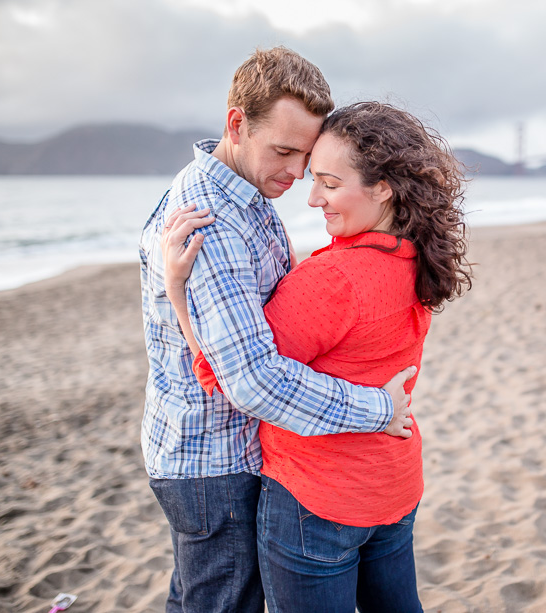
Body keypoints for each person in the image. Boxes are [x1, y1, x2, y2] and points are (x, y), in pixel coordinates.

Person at [162, 101, 472, 612]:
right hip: (394, 487)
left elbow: (233, 375)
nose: (312, 199)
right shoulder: (417, 256)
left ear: (383, 187)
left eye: (329, 184)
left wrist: (178, 291)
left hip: (318, 499)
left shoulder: (333, 280)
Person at [138, 48, 416, 613]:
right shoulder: (208, 222)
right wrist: (378, 411)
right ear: (236, 125)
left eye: (306, 158)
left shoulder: (249, 191)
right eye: (284, 152)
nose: (296, 175)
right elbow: (254, 382)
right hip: (213, 460)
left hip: (230, 451)